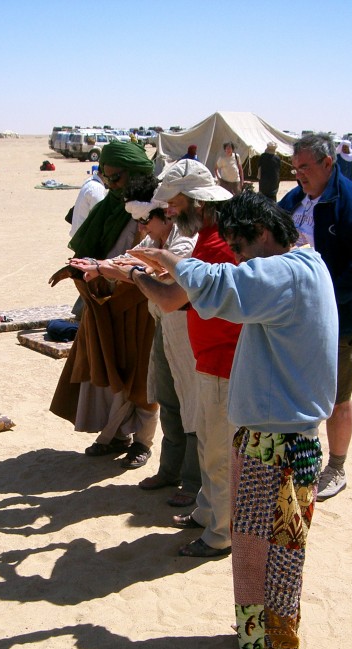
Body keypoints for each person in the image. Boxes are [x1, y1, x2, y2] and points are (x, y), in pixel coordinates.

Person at [134, 192, 338, 649]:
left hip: (275, 441)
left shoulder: (286, 273)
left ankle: (263, 645)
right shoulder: (307, 265)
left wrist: (164, 257)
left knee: (257, 552)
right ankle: (272, 639)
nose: (241, 259)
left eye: (243, 248)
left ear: (263, 236)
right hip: (290, 437)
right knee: (278, 549)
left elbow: (221, 283)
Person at [83, 161, 239, 558]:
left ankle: (220, 533)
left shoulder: (217, 242)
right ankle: (207, 514)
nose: (168, 211)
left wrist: (130, 274)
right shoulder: (205, 235)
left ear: (191, 199)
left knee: (218, 451)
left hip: (222, 359)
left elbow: (172, 296)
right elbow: (175, 280)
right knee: (206, 441)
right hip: (209, 356)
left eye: (172, 203)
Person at [74, 173, 201, 506]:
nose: (143, 227)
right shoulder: (154, 239)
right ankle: (170, 471)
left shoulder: (184, 239)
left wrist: (120, 269)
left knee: (189, 406)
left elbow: (161, 274)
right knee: (168, 399)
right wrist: (100, 267)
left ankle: (191, 482)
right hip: (163, 324)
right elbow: (132, 259)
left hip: (186, 329)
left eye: (147, 220)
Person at [279, 132, 352, 501]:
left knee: (337, 395)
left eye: (305, 167)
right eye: (295, 168)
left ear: (328, 163)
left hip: (341, 319)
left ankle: (336, 467)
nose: (298, 175)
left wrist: (328, 299)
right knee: (300, 392)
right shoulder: (295, 199)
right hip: (297, 320)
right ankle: (299, 460)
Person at [49, 141, 158, 469]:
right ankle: (116, 435)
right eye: (106, 178)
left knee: (141, 373)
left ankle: (143, 441)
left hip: (141, 299)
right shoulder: (109, 206)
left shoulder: (154, 208)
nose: (111, 185)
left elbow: (149, 257)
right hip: (104, 299)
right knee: (110, 367)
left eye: (117, 178)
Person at [69, 167, 107, 236]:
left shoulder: (90, 181)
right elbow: (99, 216)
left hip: (78, 234)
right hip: (83, 237)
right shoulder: (97, 188)